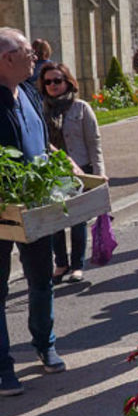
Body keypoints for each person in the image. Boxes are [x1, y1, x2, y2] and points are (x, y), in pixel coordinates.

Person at [0, 27, 67, 395]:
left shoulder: (27, 91)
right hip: (1, 210)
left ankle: (45, 344)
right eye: (27, 51)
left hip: (37, 204)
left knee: (41, 280)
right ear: (6, 59)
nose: (34, 57)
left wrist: (64, 160)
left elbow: (41, 141)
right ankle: (2, 367)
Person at [38, 62, 105, 283]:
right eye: (48, 82)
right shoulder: (40, 109)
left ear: (67, 82)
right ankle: (61, 263)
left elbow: (94, 143)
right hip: (53, 173)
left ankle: (77, 265)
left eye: (57, 80)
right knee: (55, 221)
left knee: (78, 220)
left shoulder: (81, 108)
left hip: (80, 171)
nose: (52, 85)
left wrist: (98, 175)